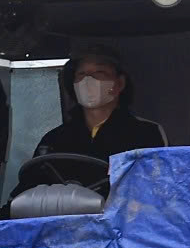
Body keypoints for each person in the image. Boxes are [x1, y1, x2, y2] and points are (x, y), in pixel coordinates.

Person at [32, 45, 167, 165]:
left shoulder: (146, 133)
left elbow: (160, 186)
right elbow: (29, 188)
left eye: (99, 72)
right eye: (81, 73)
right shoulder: (54, 139)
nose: (88, 79)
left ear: (119, 84)